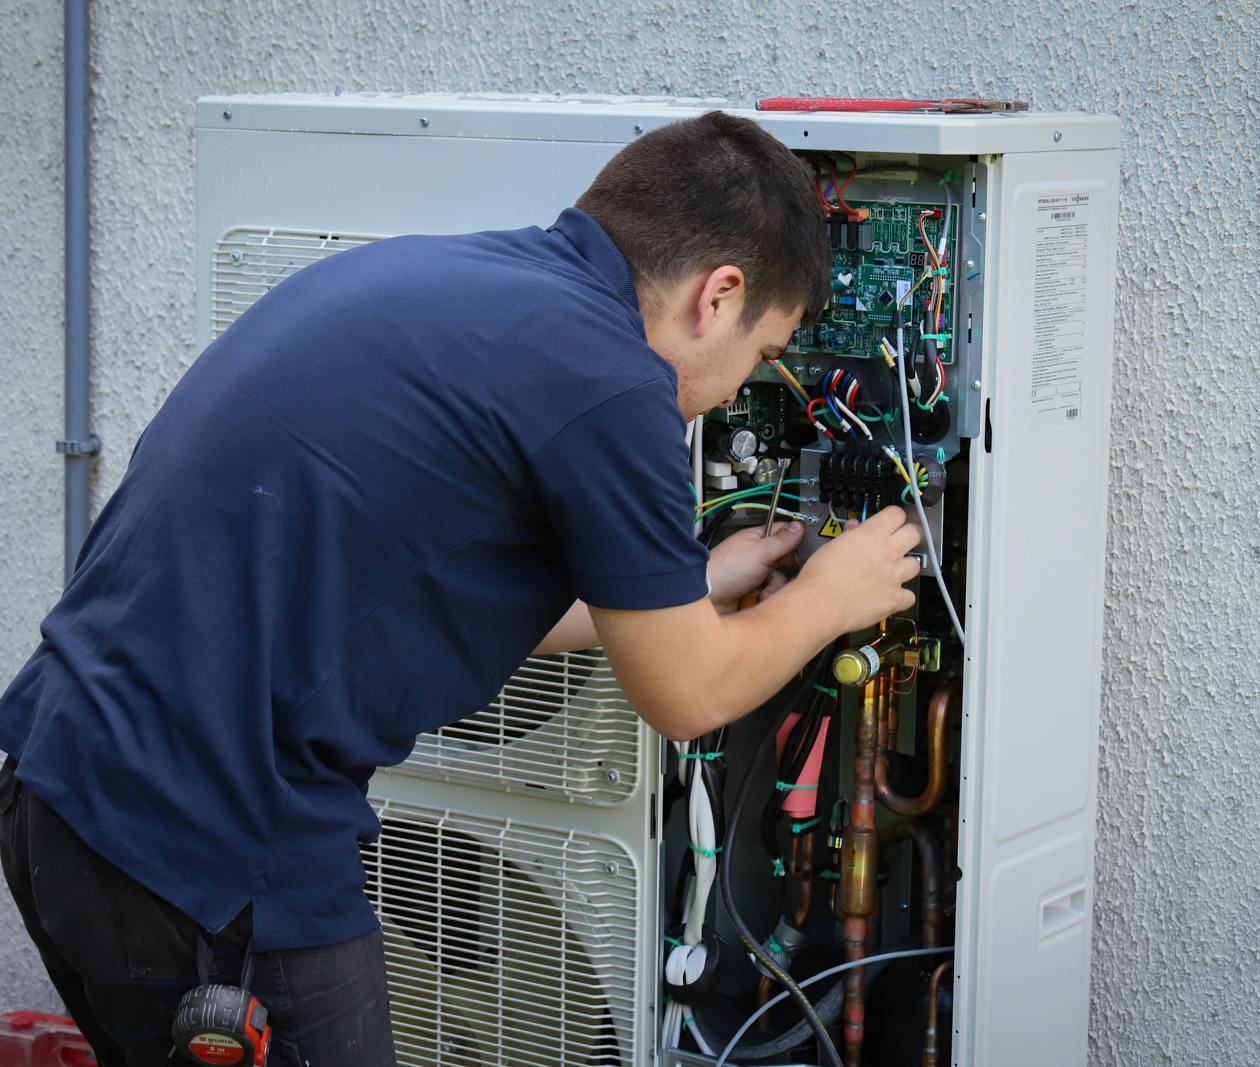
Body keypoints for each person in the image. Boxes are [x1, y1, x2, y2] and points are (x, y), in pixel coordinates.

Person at [0, 111, 920, 1066]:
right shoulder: (612, 379)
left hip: (57, 791)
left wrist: (685, 584)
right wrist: (830, 597)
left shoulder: (455, 281)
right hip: (208, 848)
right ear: (718, 294)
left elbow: (418, 588)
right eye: (764, 354)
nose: (736, 395)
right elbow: (687, 696)